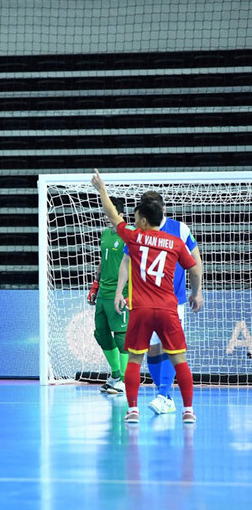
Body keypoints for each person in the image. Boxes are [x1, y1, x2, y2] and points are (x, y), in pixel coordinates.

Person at [91, 170, 203, 425]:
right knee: (180, 360)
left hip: (141, 309)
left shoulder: (134, 237)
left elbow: (112, 215)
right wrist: (196, 291)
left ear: (142, 218)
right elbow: (194, 267)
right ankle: (188, 410)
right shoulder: (173, 242)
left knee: (134, 360)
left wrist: (102, 189)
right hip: (167, 308)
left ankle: (133, 410)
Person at [115, 190, 203, 415]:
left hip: (174, 301)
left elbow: (196, 261)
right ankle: (165, 395)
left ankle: (164, 395)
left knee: (169, 351)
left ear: (162, 208)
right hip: (148, 301)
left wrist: (198, 291)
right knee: (153, 351)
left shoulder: (179, 229)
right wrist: (120, 290)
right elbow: (126, 261)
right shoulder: (139, 232)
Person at [87, 197, 130, 395]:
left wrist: (131, 293)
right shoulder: (105, 235)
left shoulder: (130, 235)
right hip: (103, 293)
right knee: (101, 334)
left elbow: (135, 265)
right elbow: (102, 262)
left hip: (120, 293)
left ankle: (124, 380)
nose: (106, 216)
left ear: (120, 214)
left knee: (122, 338)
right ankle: (115, 375)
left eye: (110, 212)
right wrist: (95, 285)